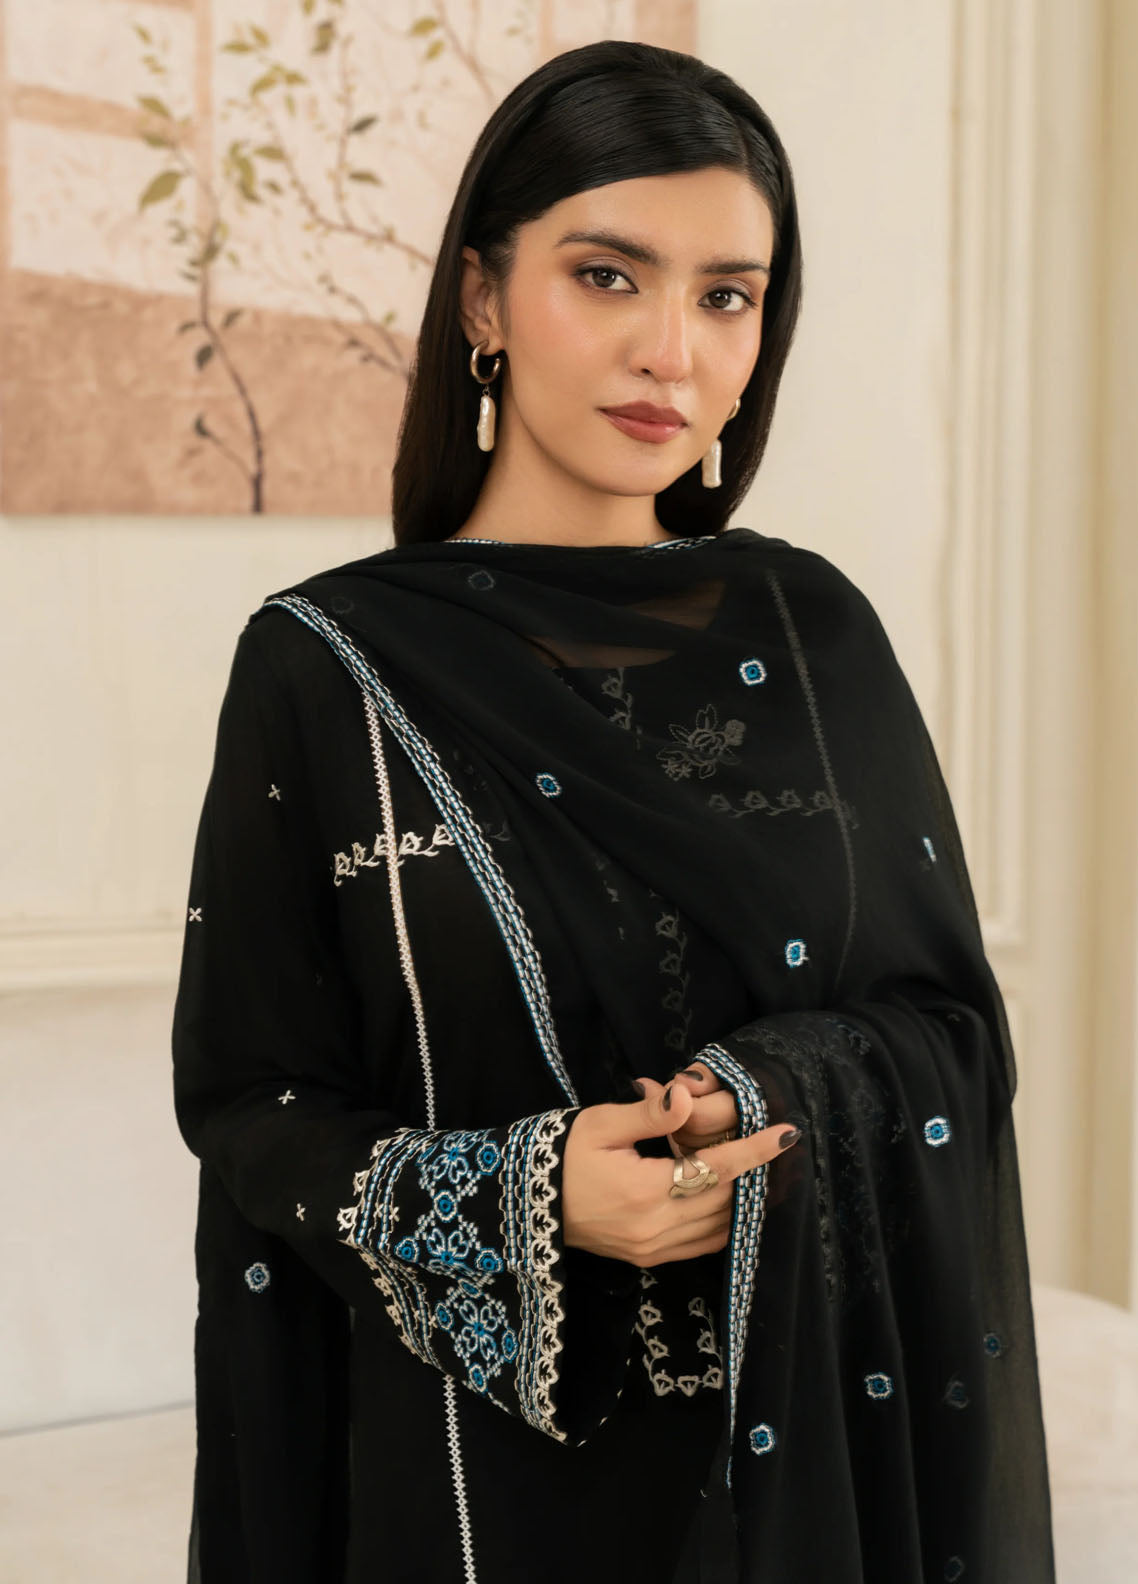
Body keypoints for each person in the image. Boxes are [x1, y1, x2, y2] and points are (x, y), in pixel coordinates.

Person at [171, 39, 1055, 1584]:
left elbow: (947, 1036)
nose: (670, 352)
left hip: (794, 1487)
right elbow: (251, 1102)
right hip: (464, 1489)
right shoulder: (328, 663)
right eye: (605, 276)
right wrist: (527, 1196)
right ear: (482, 300)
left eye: (726, 296)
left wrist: (758, 1091)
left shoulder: (813, 635)